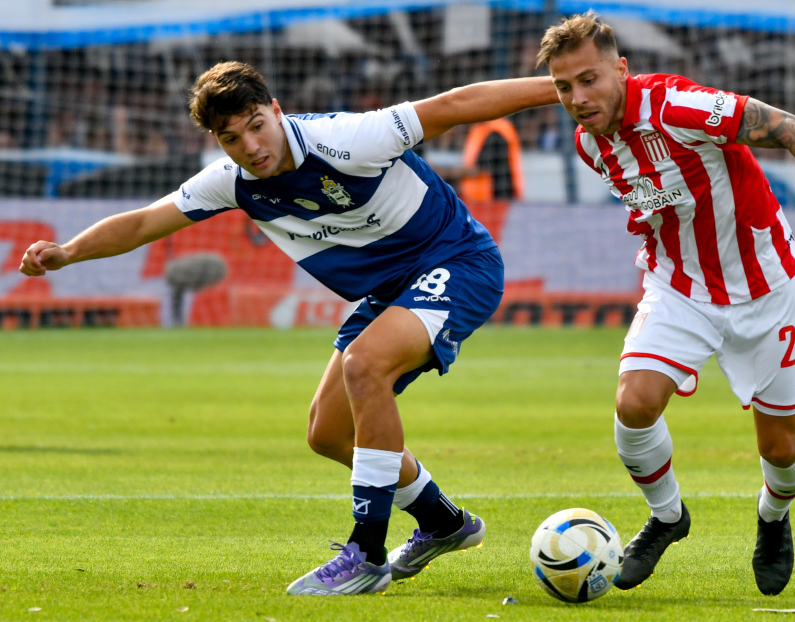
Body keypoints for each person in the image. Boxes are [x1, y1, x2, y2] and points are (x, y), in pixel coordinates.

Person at [19, 61, 557, 596]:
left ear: (276, 111)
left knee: (365, 364)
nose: (251, 146)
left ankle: (366, 555)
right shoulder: (232, 182)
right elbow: (143, 221)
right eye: (231, 138)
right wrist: (68, 252)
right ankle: (443, 522)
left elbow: (454, 105)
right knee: (328, 432)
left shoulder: (349, 139)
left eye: (257, 125)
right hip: (390, 289)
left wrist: (562, 90)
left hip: (458, 261)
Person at [536, 12, 795, 596]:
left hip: (765, 287)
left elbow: (789, 126)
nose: (577, 98)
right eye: (563, 87)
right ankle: (667, 515)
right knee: (634, 404)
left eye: (588, 79)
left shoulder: (678, 106)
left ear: (621, 70)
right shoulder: (589, 144)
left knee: (780, 448)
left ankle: (773, 518)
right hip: (679, 286)